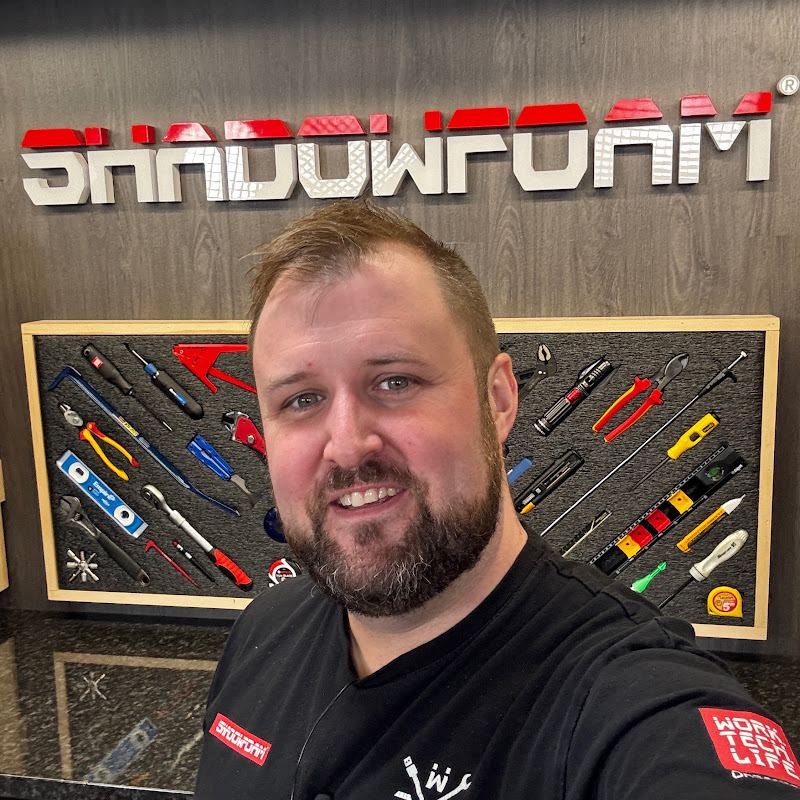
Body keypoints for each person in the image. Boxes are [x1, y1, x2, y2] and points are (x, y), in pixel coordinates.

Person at [194, 201, 799, 799]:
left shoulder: (631, 705)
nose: (348, 445)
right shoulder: (264, 632)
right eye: (301, 400)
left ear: (500, 400)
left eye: (396, 382)